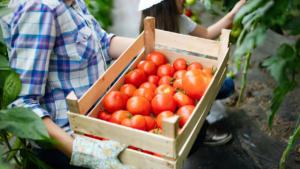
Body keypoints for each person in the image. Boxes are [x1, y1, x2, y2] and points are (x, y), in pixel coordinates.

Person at [0, 0, 206, 168]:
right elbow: (22, 104)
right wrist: (83, 153)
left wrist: (158, 48)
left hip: (100, 120)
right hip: (70, 140)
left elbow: (103, 43)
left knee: (192, 132)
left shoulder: (72, 3)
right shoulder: (41, 9)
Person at [138, 0, 246, 146]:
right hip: (167, 91)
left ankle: (200, 120)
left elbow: (207, 34)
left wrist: (233, 13)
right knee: (193, 122)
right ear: (166, 3)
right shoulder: (150, 33)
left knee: (226, 84)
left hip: (186, 83)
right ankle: (199, 129)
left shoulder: (182, 20)